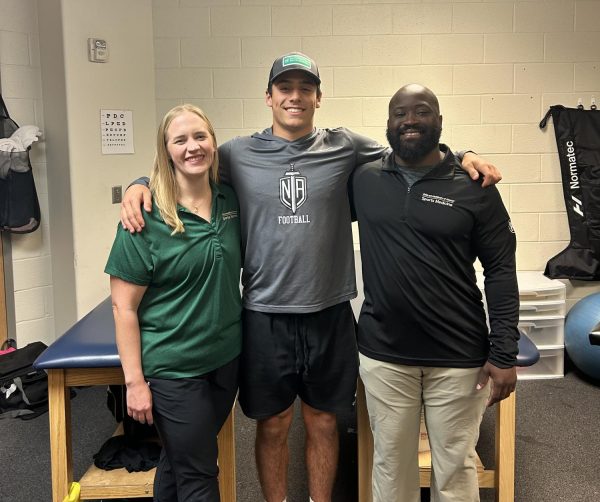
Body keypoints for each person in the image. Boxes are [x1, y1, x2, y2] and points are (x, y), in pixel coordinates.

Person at [119, 53, 502, 502]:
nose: (295, 97)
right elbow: (185, 162)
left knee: (323, 421)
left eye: (305, 88)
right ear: (269, 97)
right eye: (285, 88)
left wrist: (464, 154)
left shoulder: (344, 146)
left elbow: (413, 148)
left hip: (329, 313)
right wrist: (137, 182)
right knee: (274, 423)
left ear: (319, 97)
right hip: (264, 315)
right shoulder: (238, 153)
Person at [350, 84, 519, 502]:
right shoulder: (365, 179)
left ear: (439, 122)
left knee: (455, 466)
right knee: (390, 465)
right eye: (399, 114)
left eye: (421, 112)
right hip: (384, 354)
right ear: (387, 123)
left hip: (458, 356)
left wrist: (504, 352)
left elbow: (500, 269)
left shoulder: (474, 186)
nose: (409, 121)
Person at [105, 104, 242, 501]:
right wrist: (134, 383)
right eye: (180, 140)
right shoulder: (144, 217)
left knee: (180, 460)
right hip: (174, 369)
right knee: (200, 473)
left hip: (225, 360)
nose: (192, 147)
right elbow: (123, 308)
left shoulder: (229, 200)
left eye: (200, 136)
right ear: (166, 151)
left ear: (214, 142)